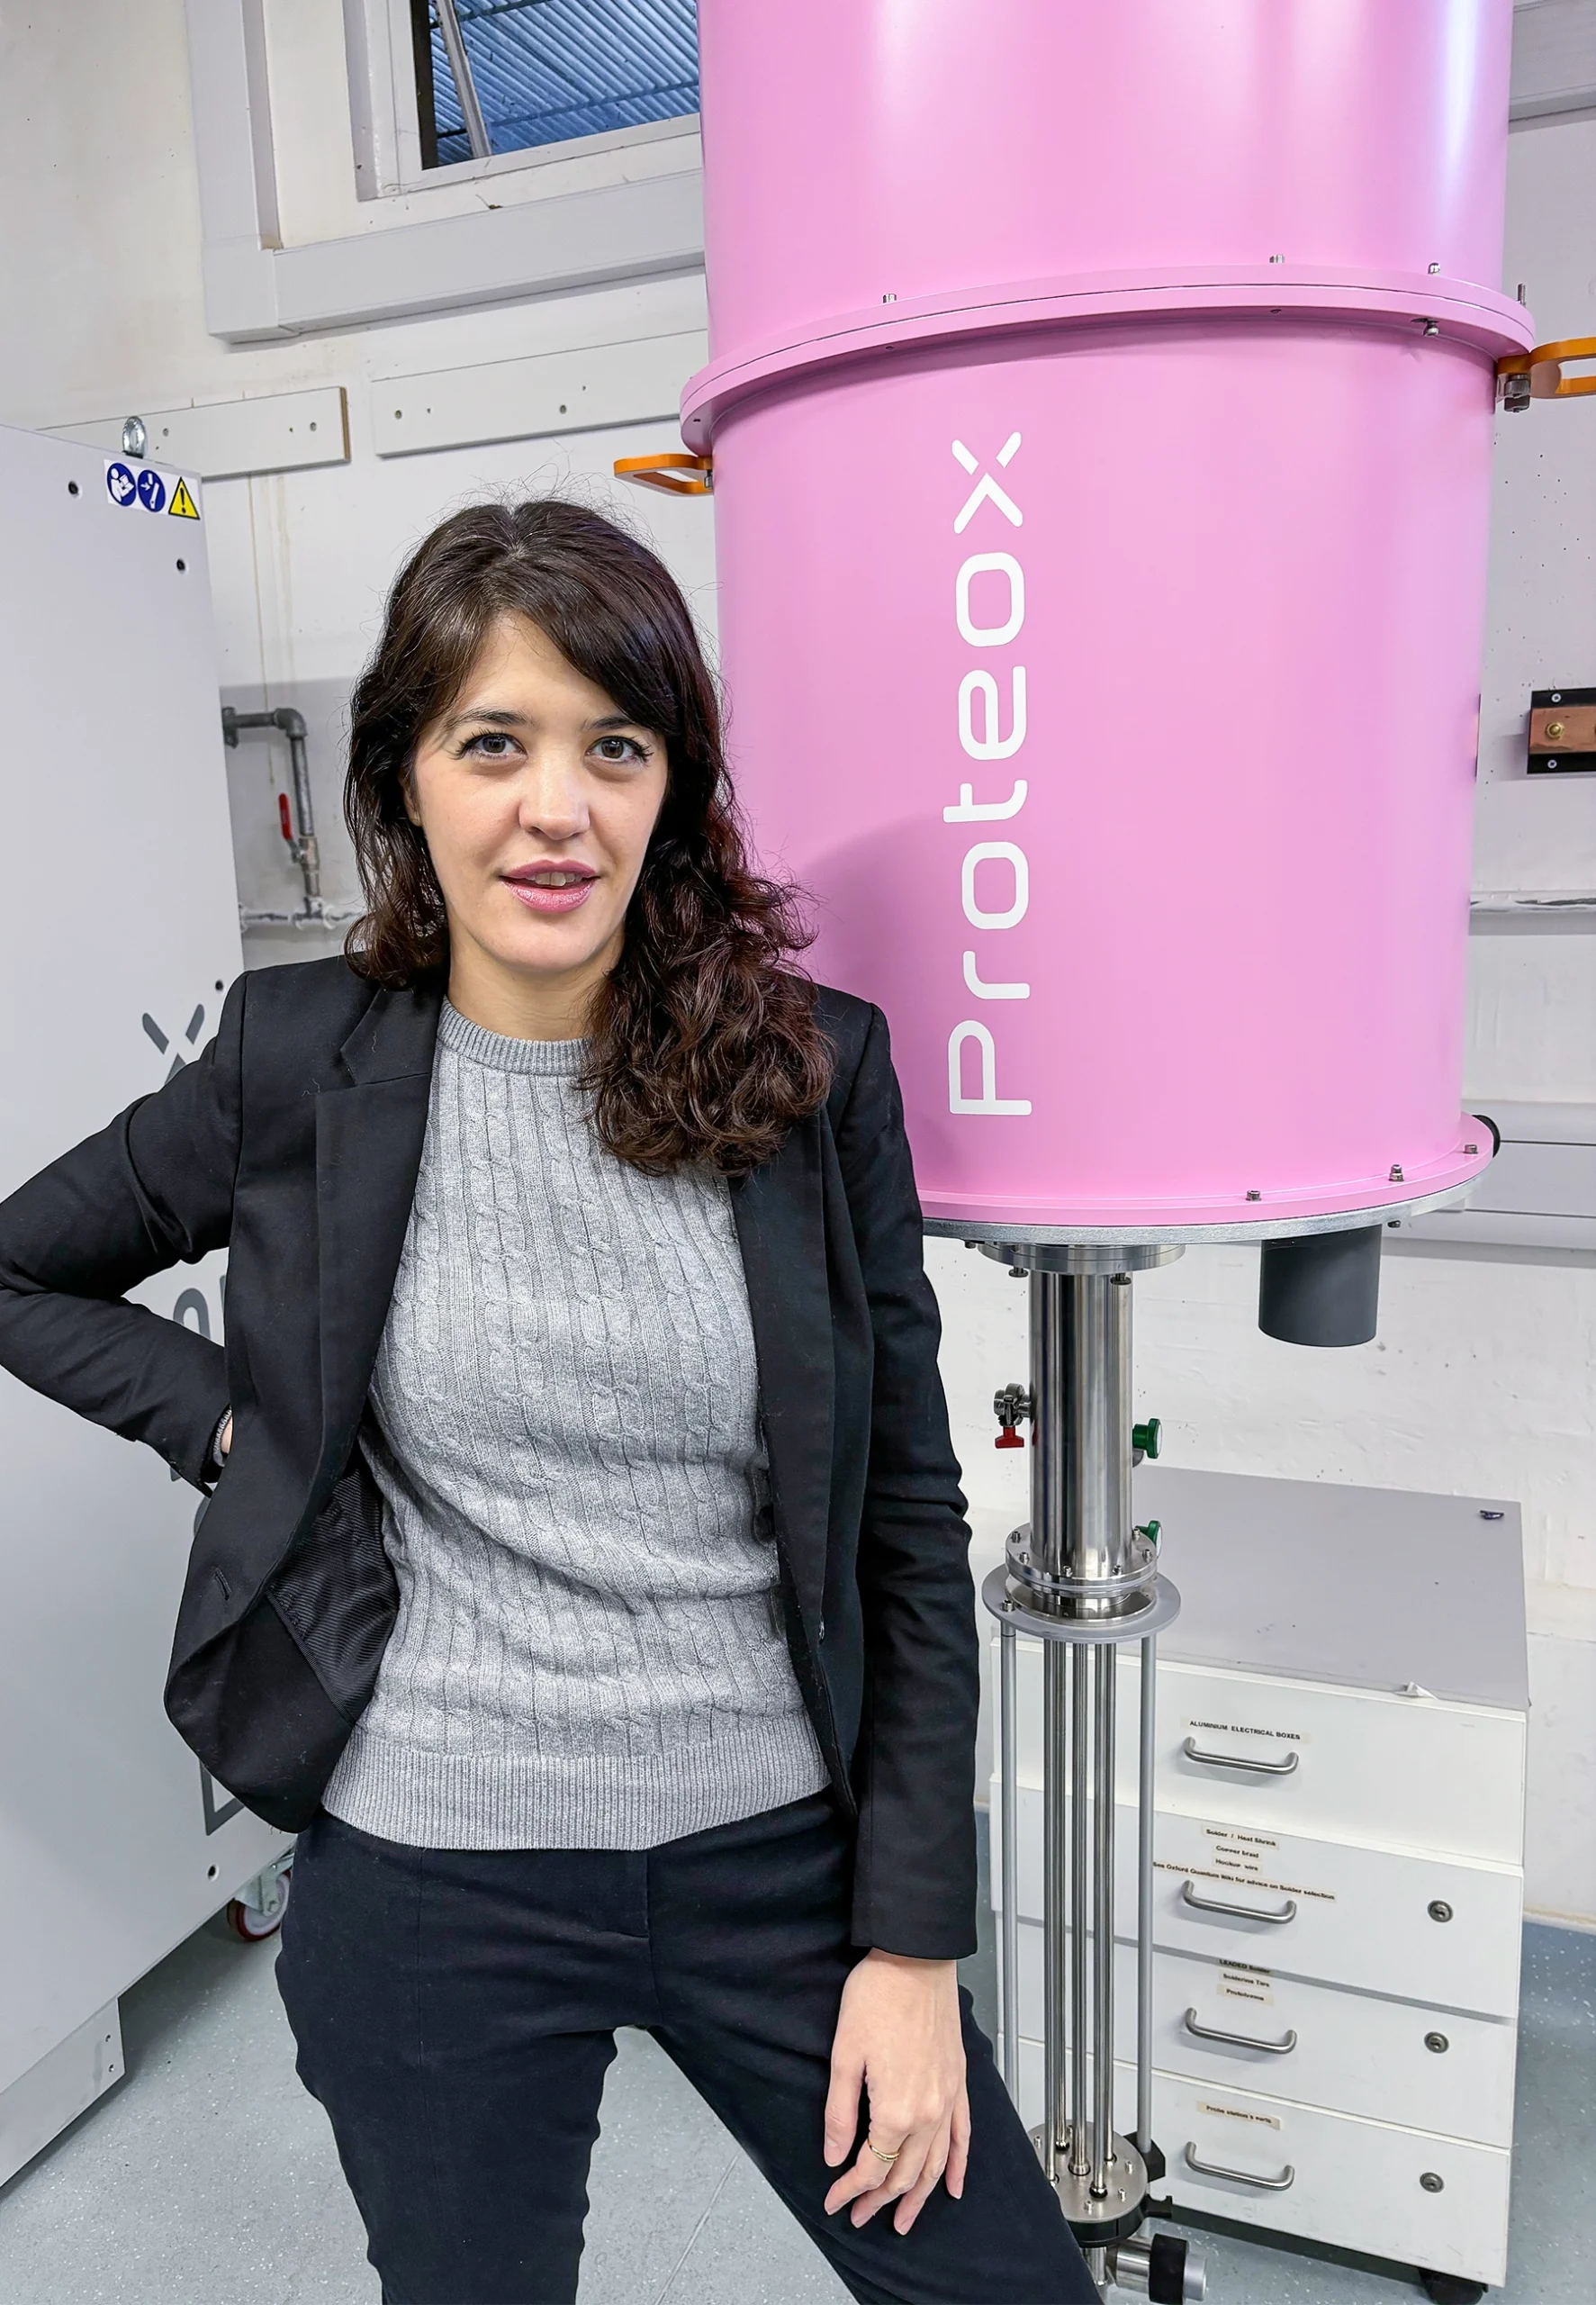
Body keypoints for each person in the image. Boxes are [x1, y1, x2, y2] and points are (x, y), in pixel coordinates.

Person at [0, 500, 1094, 2304]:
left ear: (672, 782)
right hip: (434, 1859)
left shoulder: (813, 1073)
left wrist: (911, 1944)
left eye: (615, 743)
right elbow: (25, 1264)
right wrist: (234, 1421)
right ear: (406, 779)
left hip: (779, 1858)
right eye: (491, 741)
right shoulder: (296, 1058)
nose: (555, 804)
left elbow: (904, 1517)